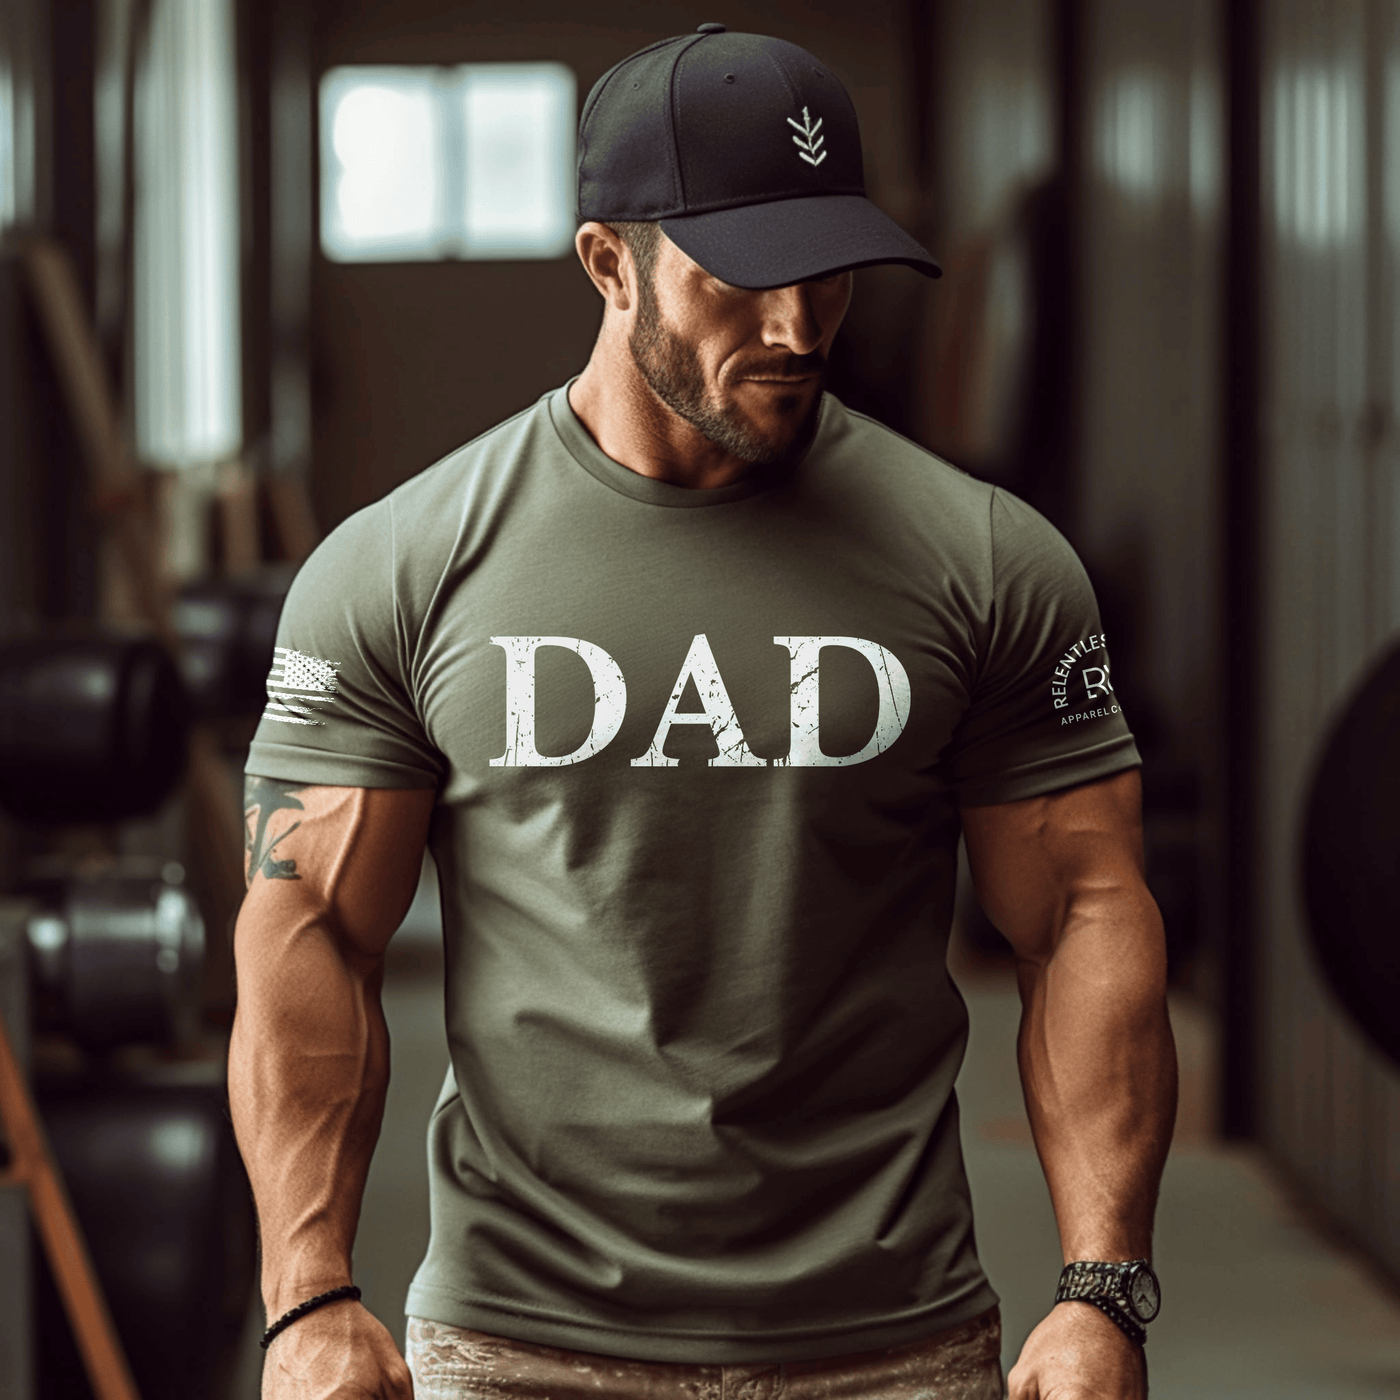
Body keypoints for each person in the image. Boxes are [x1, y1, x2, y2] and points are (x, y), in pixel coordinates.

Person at [229, 25, 1176, 1400]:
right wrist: (307, 1298)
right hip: (521, 1342)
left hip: (891, 1342)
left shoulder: (987, 561)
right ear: (608, 263)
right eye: (743, 275)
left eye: (828, 272)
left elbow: (1085, 909)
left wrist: (1103, 1292)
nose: (797, 329)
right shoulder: (403, 569)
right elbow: (309, 927)